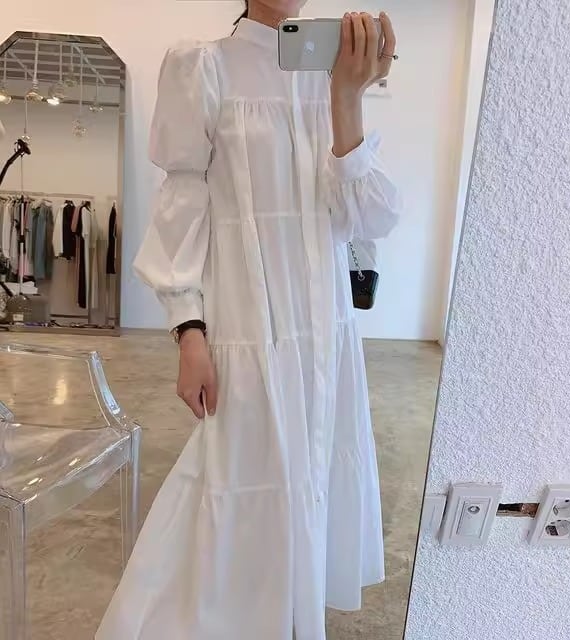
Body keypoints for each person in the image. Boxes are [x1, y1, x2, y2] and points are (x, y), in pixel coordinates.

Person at [96, 2, 401, 639]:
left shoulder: (334, 73)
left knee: (308, 480)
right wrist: (188, 330)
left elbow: (366, 220)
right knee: (237, 483)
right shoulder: (203, 68)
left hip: (324, 337)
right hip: (246, 326)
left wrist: (347, 98)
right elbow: (183, 206)